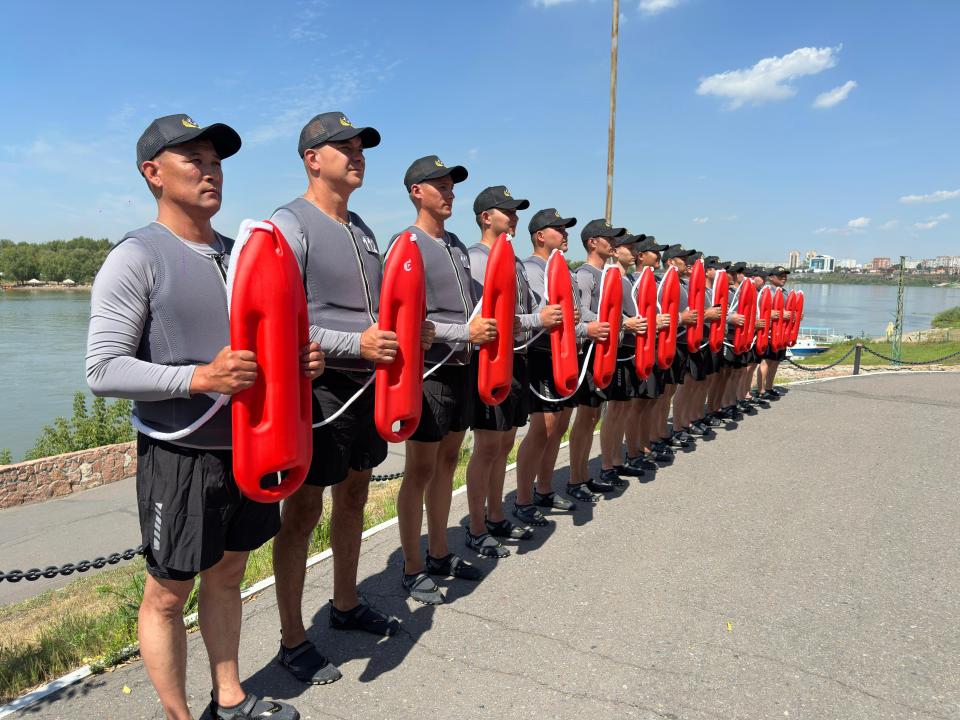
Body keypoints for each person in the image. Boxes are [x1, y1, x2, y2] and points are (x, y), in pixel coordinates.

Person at [86, 114, 319, 720]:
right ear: (153, 173)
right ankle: (178, 715)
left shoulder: (243, 256)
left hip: (250, 450)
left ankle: (229, 698)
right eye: (193, 159)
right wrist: (199, 378)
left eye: (215, 161)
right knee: (168, 593)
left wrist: (299, 363)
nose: (211, 170)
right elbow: (103, 369)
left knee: (229, 573)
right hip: (180, 452)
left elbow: (265, 347)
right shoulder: (136, 256)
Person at [269, 112, 434, 685]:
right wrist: (353, 342)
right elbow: (279, 319)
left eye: (361, 147)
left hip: (369, 387)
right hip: (319, 390)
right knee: (303, 512)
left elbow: (381, 311)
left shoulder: (363, 228)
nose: (358, 155)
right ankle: (293, 637)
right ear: (313, 159)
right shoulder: (288, 224)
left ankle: (345, 602)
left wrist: (410, 332)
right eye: (345, 147)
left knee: (357, 493)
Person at [395, 155, 496, 605]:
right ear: (417, 192)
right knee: (419, 470)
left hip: (462, 369)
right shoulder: (406, 244)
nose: (450, 192)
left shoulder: (456, 246)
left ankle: (439, 553)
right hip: (430, 373)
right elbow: (407, 321)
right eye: (440, 185)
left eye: (452, 186)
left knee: (449, 461)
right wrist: (462, 334)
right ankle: (411, 565)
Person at [463, 186, 552, 556]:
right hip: (487, 362)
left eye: (516, 212)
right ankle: (476, 526)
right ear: (487, 217)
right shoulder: (474, 259)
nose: (514, 218)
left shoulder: (513, 261)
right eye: (508, 211)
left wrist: (534, 320)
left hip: (516, 359)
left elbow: (523, 313)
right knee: (486, 447)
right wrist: (532, 320)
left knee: (504, 444)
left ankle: (497, 515)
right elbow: (475, 316)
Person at [513, 209, 581, 525]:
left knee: (559, 425)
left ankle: (544, 488)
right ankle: (523, 499)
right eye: (559, 229)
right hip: (540, 352)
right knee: (543, 428)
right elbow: (537, 310)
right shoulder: (531, 268)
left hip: (563, 353)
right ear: (540, 235)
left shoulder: (562, 269)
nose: (565, 234)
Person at [568, 219, 622, 501]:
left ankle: (583, 476)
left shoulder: (608, 274)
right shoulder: (585, 275)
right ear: (592, 242)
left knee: (594, 417)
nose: (613, 243)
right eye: (608, 238)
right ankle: (575, 479)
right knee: (586, 417)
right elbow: (582, 311)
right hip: (590, 352)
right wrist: (616, 321)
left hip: (605, 352)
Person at [597, 232, 648, 482]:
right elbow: (605, 312)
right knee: (615, 409)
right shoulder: (611, 275)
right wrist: (627, 324)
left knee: (624, 407)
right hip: (615, 350)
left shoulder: (627, 278)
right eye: (630, 247)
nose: (635, 252)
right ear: (616, 251)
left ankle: (617, 459)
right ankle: (607, 464)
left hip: (630, 349)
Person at [757, 265, 792, 400]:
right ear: (771, 278)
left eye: (785, 275)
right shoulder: (766, 292)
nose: (784, 278)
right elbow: (760, 310)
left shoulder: (785, 293)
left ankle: (769, 387)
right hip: (769, 332)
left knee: (775, 361)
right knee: (766, 361)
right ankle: (761, 390)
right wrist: (780, 314)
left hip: (781, 333)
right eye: (780, 275)